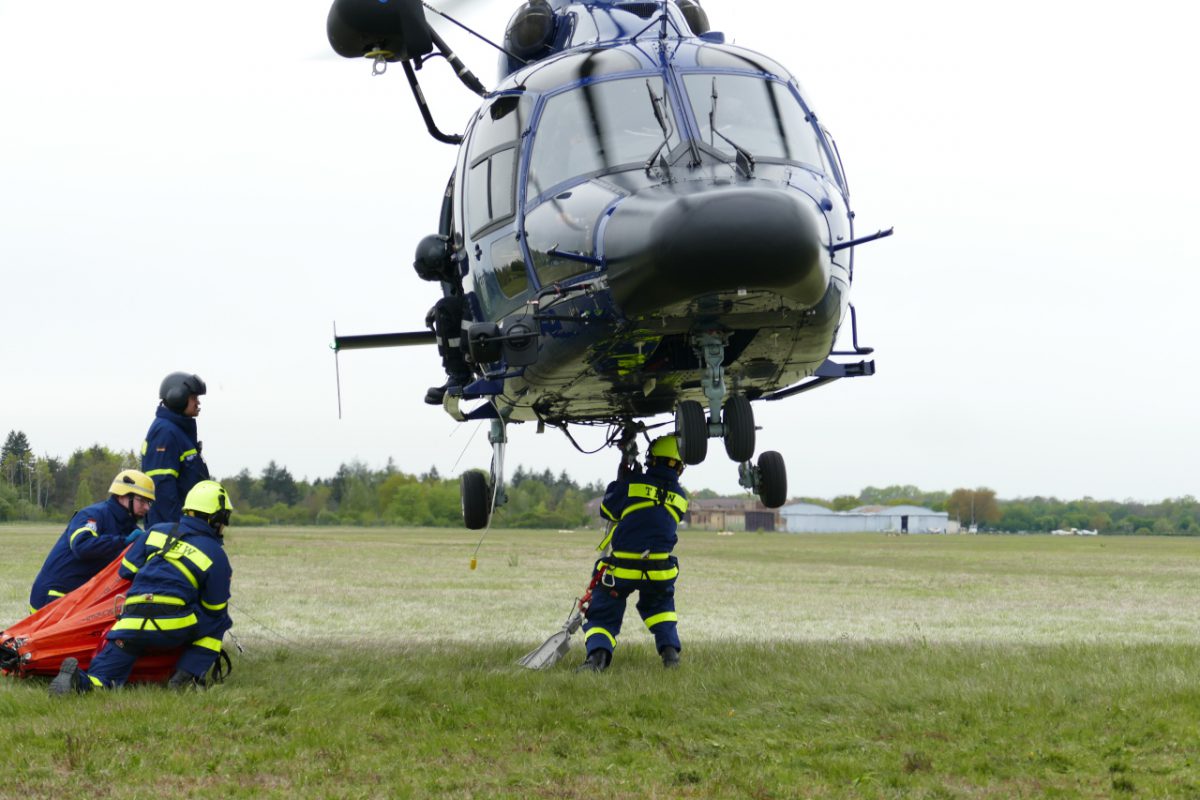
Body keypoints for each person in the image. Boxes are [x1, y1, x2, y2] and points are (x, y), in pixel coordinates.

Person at [50, 480, 234, 694]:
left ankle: (83, 682)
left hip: (131, 620)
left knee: (104, 679)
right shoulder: (216, 554)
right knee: (219, 622)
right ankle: (185, 678)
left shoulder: (156, 531)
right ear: (216, 519)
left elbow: (126, 570)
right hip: (173, 624)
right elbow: (214, 609)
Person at [578, 435, 690, 672]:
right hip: (659, 570)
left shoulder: (632, 484)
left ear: (651, 459)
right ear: (680, 465)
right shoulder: (682, 497)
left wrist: (623, 479)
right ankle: (671, 657)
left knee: (604, 610)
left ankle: (597, 661)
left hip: (623, 568)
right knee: (661, 609)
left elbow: (608, 509)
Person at [28, 470, 156, 613]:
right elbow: (82, 546)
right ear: (123, 494)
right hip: (55, 595)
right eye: (142, 500)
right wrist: (123, 542)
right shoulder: (92, 515)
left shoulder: (129, 528)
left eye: (149, 502)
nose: (147, 507)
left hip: (81, 598)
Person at [142, 371, 210, 527]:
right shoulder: (165, 432)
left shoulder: (178, 431)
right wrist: (174, 528)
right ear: (177, 397)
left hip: (185, 522)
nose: (197, 403)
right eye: (194, 398)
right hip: (171, 526)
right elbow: (162, 486)